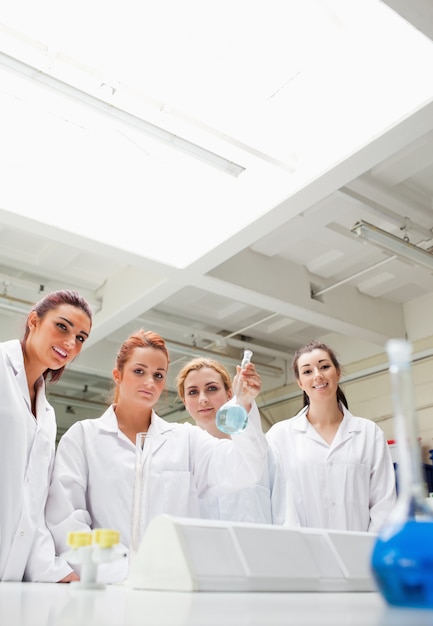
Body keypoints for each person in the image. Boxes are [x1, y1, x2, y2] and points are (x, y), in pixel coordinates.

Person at [46, 330, 268, 584]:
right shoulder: (84, 437)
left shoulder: (186, 440)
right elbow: (66, 520)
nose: (150, 382)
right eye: (139, 371)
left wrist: (245, 406)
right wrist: (118, 573)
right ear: (118, 375)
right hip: (107, 586)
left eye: (158, 375)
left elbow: (246, 468)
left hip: (172, 585)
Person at [0, 289, 93, 582]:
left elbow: (32, 504)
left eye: (80, 337)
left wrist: (55, 570)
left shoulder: (47, 414)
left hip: (10, 573)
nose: (70, 342)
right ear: (34, 321)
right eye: (62, 326)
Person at [266, 340, 397, 532]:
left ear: (337, 372)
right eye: (307, 371)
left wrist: (368, 554)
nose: (318, 375)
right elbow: (276, 506)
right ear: (300, 382)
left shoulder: (369, 433)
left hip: (358, 555)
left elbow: (384, 506)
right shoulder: (279, 436)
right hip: (303, 553)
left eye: (324, 367)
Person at [176, 356, 275, 523]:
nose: (203, 399)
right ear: (185, 401)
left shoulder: (263, 452)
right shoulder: (181, 456)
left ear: (229, 394)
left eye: (212, 388)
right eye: (193, 392)